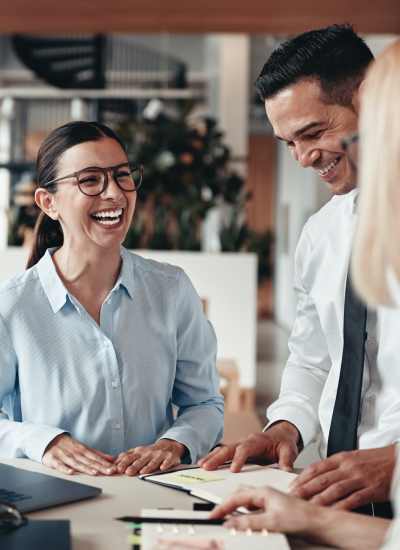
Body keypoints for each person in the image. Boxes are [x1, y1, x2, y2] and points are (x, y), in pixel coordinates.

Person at [200, 24, 398, 518]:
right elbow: (313, 359)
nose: (305, 158)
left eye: (313, 133)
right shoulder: (320, 234)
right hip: (336, 484)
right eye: (289, 143)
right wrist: (284, 426)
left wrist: (395, 465)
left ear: (370, 102)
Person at [0, 120, 224, 476]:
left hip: (154, 494)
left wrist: (175, 443)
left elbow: (205, 403)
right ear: (48, 202)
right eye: (90, 180)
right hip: (53, 498)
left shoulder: (171, 289)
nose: (116, 194)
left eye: (122, 175)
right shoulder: (12, 306)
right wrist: (44, 441)